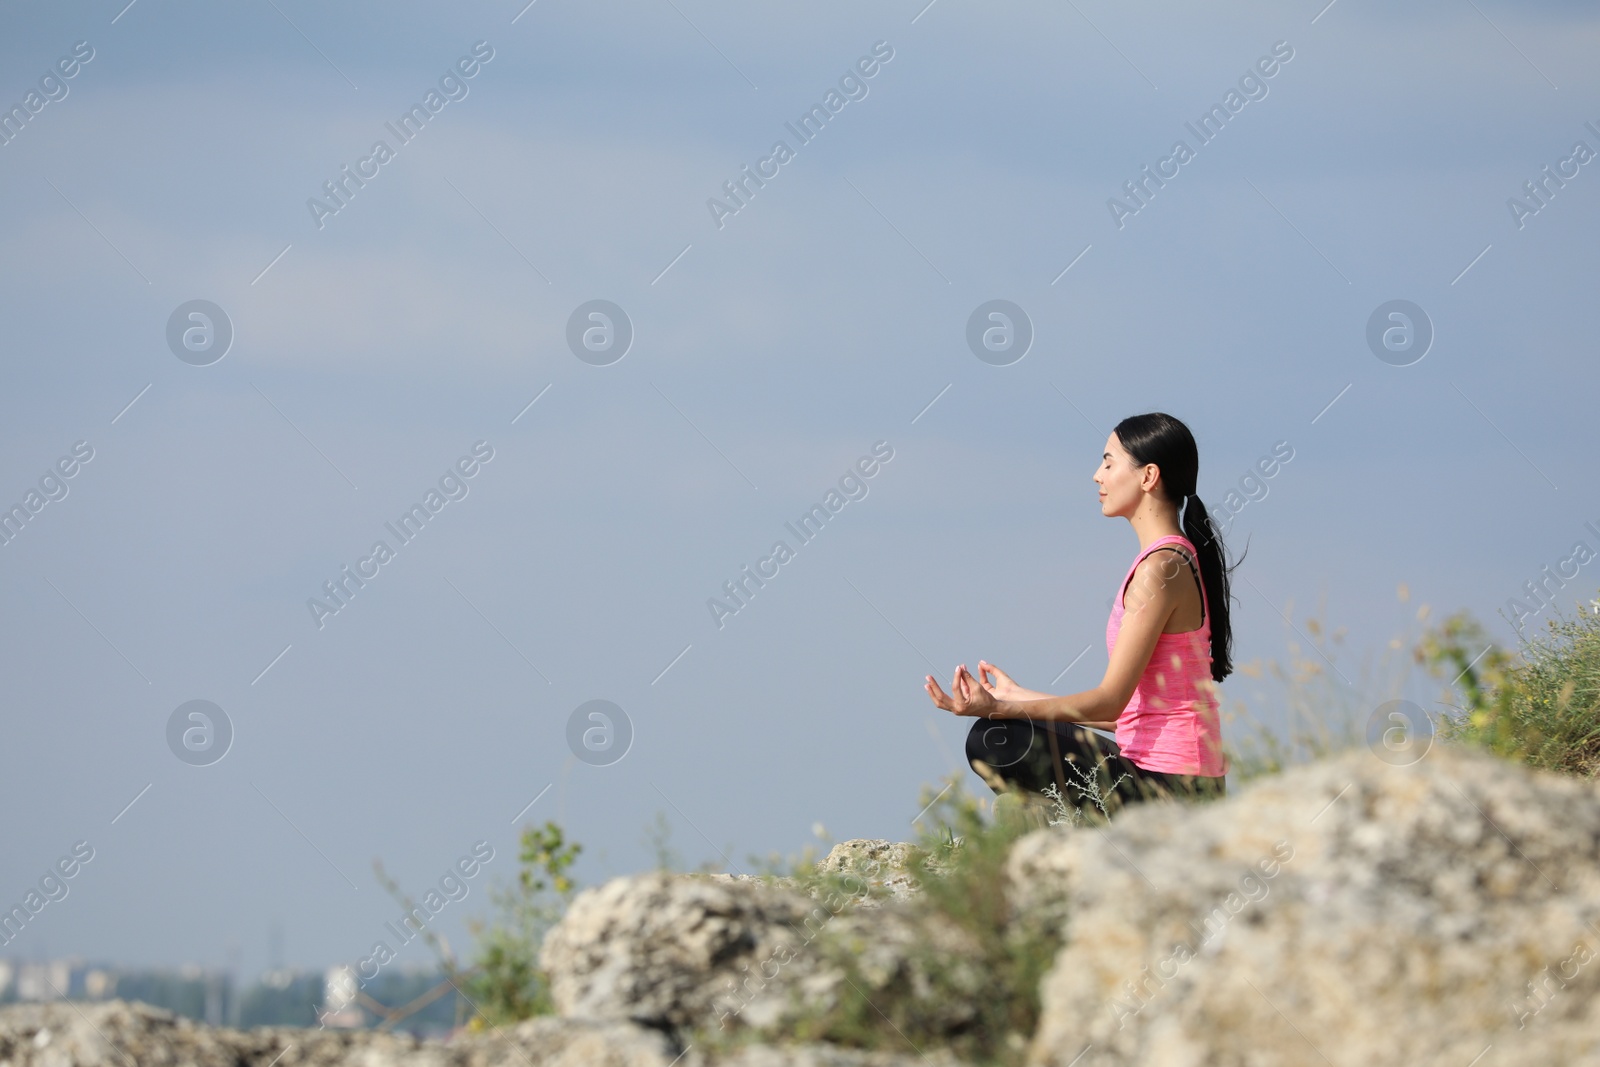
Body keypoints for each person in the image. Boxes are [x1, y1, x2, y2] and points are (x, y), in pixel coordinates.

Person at [924, 412, 1241, 822]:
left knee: (993, 738)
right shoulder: (1170, 559)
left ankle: (1065, 829)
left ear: (1148, 477)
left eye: (1109, 462)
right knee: (998, 733)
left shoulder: (1161, 569)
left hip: (1174, 789)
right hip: (1158, 773)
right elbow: (1122, 715)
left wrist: (1003, 710)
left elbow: (1110, 699)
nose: (1097, 475)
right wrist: (1013, 698)